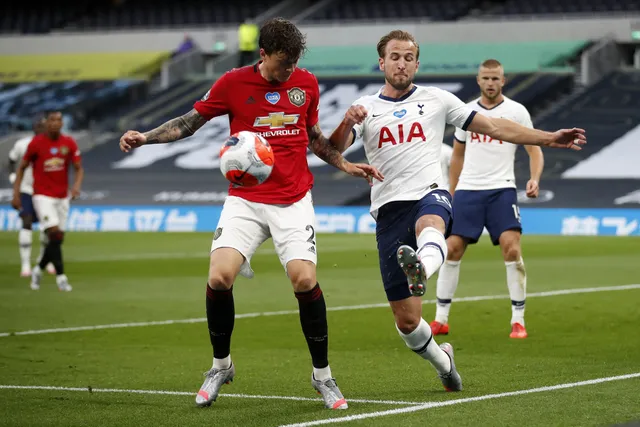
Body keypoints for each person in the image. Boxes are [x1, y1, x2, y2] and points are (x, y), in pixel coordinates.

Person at [118, 17, 382, 410]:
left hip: (293, 200)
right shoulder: (232, 83)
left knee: (304, 280)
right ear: (263, 55)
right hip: (245, 199)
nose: (288, 70)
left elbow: (315, 141)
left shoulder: (305, 84)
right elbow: (188, 124)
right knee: (220, 277)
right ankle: (221, 366)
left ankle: (323, 376)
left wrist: (346, 165)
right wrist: (146, 137)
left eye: (293, 62)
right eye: (281, 63)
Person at [329, 30, 585, 392]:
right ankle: (444, 362)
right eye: (395, 57)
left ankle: (423, 267)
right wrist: (347, 122)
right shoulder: (365, 107)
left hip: (431, 194)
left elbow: (495, 126)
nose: (401, 63)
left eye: (408, 57)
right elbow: (334, 149)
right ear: (382, 62)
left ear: (417, 63)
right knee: (407, 322)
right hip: (387, 209)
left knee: (432, 226)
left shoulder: (438, 100)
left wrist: (548, 137)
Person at [430, 59, 544, 339]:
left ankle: (518, 320)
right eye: (486, 78)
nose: (491, 83)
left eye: (496, 78)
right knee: (452, 249)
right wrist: (451, 192)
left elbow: (535, 148)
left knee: (511, 248)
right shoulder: (466, 112)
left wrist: (535, 178)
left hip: (502, 189)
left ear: (503, 81)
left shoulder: (517, 112)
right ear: (478, 80)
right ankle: (441, 319)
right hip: (468, 191)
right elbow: (457, 155)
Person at [11, 111, 84, 292]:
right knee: (53, 233)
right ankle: (61, 278)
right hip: (42, 195)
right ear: (46, 123)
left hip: (62, 197)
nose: (55, 123)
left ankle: (38, 269)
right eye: (52, 120)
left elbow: (78, 168)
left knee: (57, 239)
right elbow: (21, 168)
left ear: (62, 123)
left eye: (59, 120)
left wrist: (75, 186)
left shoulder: (69, 143)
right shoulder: (36, 143)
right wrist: (16, 194)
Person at [8, 115, 56, 277]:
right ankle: (25, 265)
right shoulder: (22, 145)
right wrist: (12, 178)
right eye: (39, 126)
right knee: (26, 221)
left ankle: (45, 260)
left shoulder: (53, 145)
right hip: (27, 190)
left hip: (46, 191)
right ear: (35, 128)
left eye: (44, 126)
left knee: (47, 227)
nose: (41, 128)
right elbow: (11, 160)